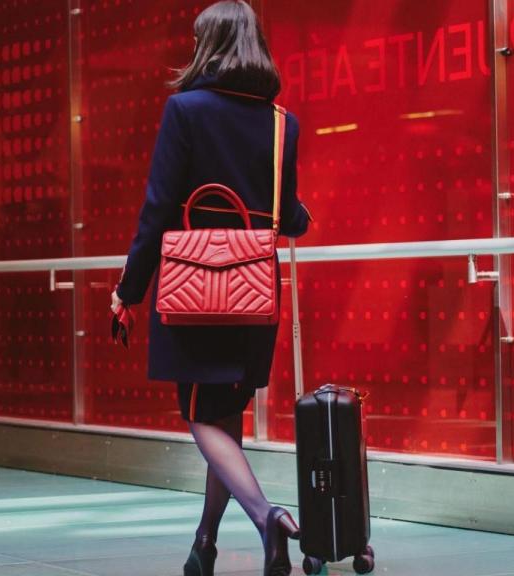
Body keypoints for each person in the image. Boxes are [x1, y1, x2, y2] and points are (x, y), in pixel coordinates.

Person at [109, 2, 310, 575]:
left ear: (209, 45)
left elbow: (158, 209)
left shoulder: (185, 111)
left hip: (197, 293)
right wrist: (299, 218)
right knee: (224, 420)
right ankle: (204, 546)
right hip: (255, 292)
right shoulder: (281, 123)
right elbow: (286, 215)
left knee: (202, 420)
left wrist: (129, 289)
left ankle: (267, 516)